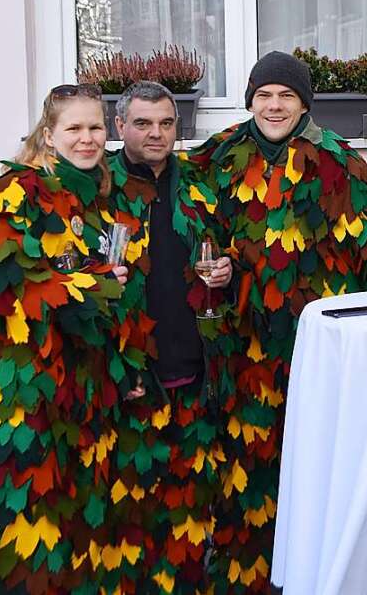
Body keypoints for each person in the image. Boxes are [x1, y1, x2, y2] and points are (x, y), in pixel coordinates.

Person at [189, 51, 367, 593]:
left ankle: (318, 572)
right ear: (250, 99)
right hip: (242, 341)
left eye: (286, 96)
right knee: (243, 464)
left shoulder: (337, 161)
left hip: (315, 340)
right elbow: (191, 223)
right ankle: (243, 573)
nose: (274, 106)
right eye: (264, 95)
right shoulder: (218, 156)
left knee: (316, 457)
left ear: (304, 103)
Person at [0, 84, 131, 593]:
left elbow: (86, 280)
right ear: (48, 134)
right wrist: (90, 283)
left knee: (76, 519)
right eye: (75, 129)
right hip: (21, 387)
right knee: (23, 523)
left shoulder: (95, 196)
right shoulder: (16, 191)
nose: (87, 139)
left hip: (79, 382)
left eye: (95, 128)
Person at [103, 81, 234, 593]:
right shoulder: (98, 188)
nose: (156, 134)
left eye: (166, 123)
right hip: (131, 378)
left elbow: (224, 254)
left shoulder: (200, 183)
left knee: (189, 510)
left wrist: (226, 270)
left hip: (194, 369)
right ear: (120, 127)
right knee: (130, 514)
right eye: (142, 123)